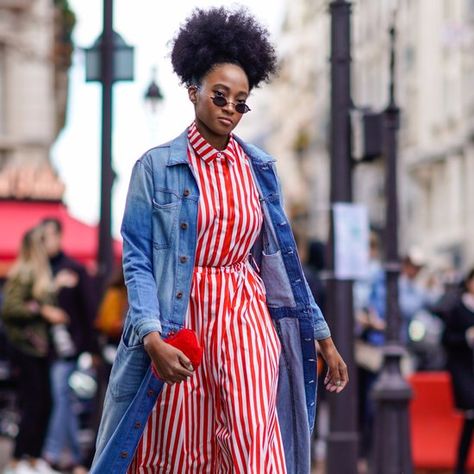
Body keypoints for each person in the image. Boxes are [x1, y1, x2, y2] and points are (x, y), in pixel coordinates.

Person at [91, 7, 348, 474]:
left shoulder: (260, 170)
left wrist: (321, 335)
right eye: (220, 96)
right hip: (179, 319)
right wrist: (151, 336)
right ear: (193, 91)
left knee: (255, 440)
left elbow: (280, 265)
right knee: (182, 449)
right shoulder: (155, 167)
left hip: (245, 317)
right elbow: (138, 262)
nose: (230, 109)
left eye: (241, 102)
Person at [1, 228, 66, 474]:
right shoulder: (25, 272)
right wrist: (42, 311)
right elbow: (9, 309)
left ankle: (32, 458)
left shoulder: (39, 273)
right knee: (35, 404)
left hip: (36, 349)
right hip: (26, 347)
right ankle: (20, 459)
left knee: (43, 403)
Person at [39, 217, 99, 474]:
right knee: (65, 401)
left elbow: (89, 311)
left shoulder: (74, 268)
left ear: (58, 236)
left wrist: (92, 350)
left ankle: (52, 454)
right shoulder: (42, 271)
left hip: (71, 349)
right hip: (46, 349)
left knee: (64, 398)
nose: (45, 243)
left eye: (48, 237)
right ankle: (75, 458)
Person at [442, 268, 474, 474]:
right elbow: (446, 339)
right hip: (463, 370)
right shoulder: (457, 307)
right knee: (470, 414)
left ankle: (461, 466)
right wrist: (467, 337)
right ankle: (459, 466)